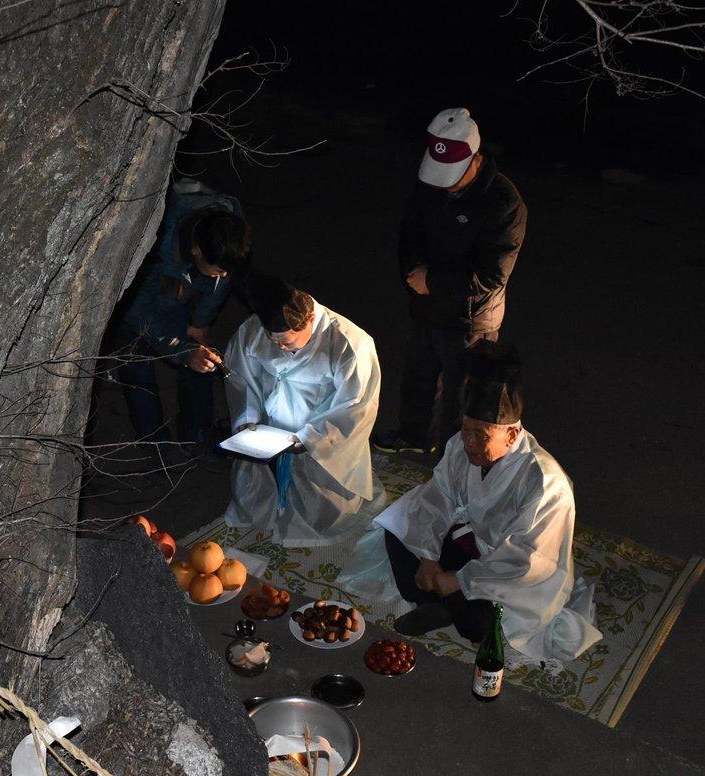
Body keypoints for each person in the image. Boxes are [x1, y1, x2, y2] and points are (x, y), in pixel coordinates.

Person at [341, 343, 599, 661]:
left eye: (482, 434)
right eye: (466, 430)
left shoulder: (545, 484)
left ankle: (444, 603)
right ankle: (437, 603)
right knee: (398, 529)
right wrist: (428, 558)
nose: (470, 443)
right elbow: (437, 498)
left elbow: (528, 561)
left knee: (480, 626)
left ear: (512, 434)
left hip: (507, 571)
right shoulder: (458, 446)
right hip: (470, 542)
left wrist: (460, 581)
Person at [372, 107, 527, 457]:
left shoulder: (504, 203)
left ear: (476, 160)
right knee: (418, 377)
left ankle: (450, 457)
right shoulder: (429, 188)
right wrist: (411, 274)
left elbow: (493, 273)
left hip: (471, 318)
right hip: (427, 305)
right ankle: (413, 438)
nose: (445, 184)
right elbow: (408, 232)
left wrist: (433, 281)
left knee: (461, 393)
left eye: (453, 176)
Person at [188, 274, 381, 546]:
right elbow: (242, 379)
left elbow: (356, 405)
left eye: (288, 342)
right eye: (273, 339)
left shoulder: (349, 344)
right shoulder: (253, 331)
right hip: (268, 426)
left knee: (319, 498)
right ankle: (263, 511)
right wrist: (247, 420)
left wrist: (309, 439)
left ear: (310, 320)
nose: (279, 346)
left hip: (317, 431)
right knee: (254, 485)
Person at [111, 178, 251, 448]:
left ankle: (196, 435)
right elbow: (137, 311)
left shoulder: (230, 228)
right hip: (142, 300)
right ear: (196, 249)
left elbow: (220, 284)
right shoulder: (154, 241)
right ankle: (154, 444)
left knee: (200, 359)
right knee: (137, 365)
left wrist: (199, 323)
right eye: (219, 269)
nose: (224, 276)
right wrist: (182, 351)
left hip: (181, 284)